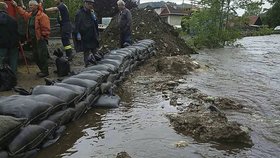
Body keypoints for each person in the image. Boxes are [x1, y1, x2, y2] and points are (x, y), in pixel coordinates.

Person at [12, 0, 50, 77]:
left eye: (31, 5)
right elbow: (23, 13)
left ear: (36, 6)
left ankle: (45, 72)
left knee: (42, 55)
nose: (30, 7)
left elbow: (46, 28)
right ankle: (42, 70)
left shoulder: (42, 16)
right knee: (36, 56)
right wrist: (16, 6)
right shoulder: (30, 15)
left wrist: (43, 37)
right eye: (29, 5)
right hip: (33, 39)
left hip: (40, 39)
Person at [74, 0, 99, 67]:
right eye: (89, 4)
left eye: (91, 4)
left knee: (95, 51)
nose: (90, 5)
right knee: (86, 52)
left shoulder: (92, 13)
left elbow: (96, 23)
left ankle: (97, 66)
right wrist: (78, 33)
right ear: (85, 3)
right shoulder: (79, 13)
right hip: (85, 35)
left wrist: (94, 16)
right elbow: (77, 24)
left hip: (92, 35)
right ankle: (87, 65)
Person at [0, 2, 19, 73]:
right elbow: (16, 32)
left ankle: (2, 77)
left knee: (1, 61)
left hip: (1, 44)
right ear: (6, 8)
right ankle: (12, 76)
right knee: (13, 61)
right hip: (13, 44)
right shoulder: (13, 19)